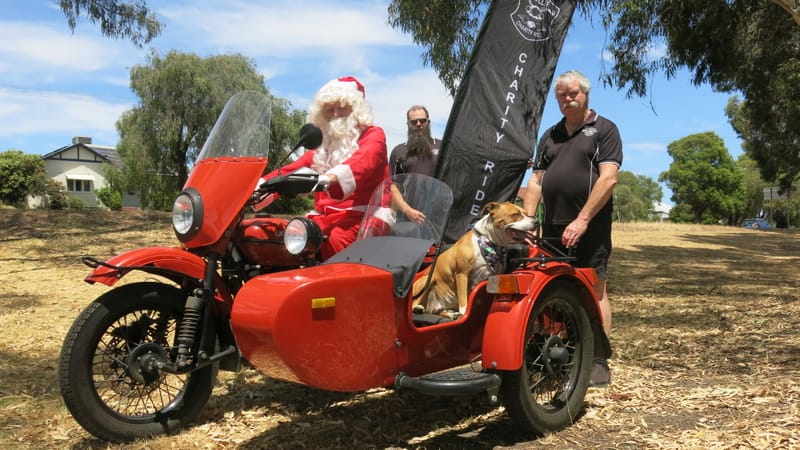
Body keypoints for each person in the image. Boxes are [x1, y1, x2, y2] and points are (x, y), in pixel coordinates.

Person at [523, 69, 622, 387]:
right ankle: (563, 354)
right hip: (551, 227)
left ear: (586, 94)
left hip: (589, 227)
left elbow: (608, 178)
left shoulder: (604, 129)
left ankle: (597, 360)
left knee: (595, 290)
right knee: (553, 290)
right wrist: (528, 222)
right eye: (561, 95)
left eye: (573, 93)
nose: (567, 99)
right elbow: (536, 181)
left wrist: (582, 220)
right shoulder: (550, 135)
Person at [260, 76, 389, 260]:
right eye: (329, 110)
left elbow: (365, 159)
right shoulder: (323, 147)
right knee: (281, 239)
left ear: (356, 110)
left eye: (341, 109)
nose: (335, 114)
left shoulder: (373, 135)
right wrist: (261, 184)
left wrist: (332, 178)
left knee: (334, 239)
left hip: (364, 216)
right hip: (324, 218)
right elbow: (294, 168)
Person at [389, 105, 442, 225]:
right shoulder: (399, 151)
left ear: (428, 122)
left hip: (438, 217)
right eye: (414, 122)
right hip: (407, 218)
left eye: (422, 120)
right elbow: (392, 186)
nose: (418, 124)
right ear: (408, 124)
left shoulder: (443, 147)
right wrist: (408, 211)